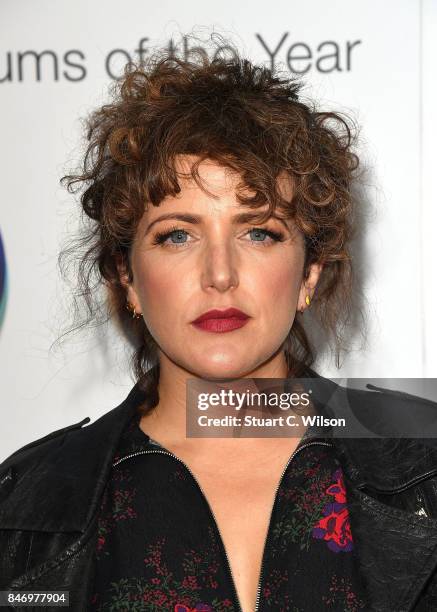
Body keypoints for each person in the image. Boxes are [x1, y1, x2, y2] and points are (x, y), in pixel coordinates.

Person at [1, 40, 437, 612]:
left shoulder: (425, 459)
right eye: (176, 235)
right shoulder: (23, 510)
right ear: (126, 277)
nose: (220, 275)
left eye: (259, 232)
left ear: (309, 273)